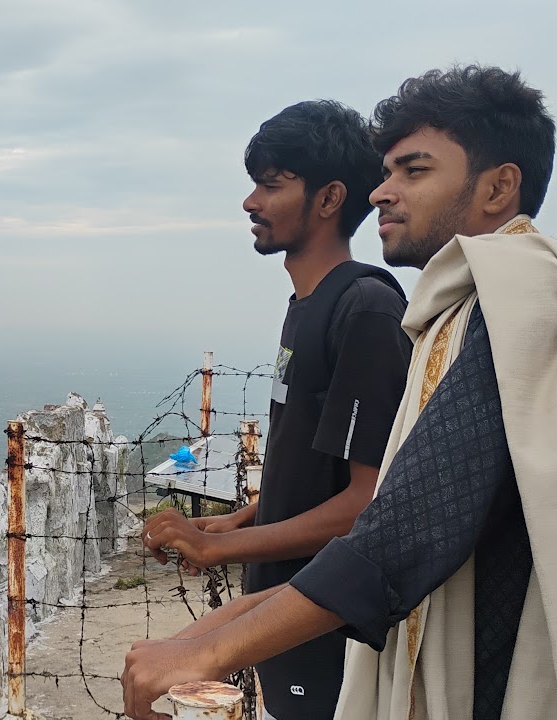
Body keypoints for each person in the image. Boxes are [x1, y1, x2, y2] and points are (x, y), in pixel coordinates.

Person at [122, 65, 557, 720]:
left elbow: (401, 532)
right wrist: (213, 628)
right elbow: (401, 512)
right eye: (387, 172)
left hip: (493, 675)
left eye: (413, 171)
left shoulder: (523, 298)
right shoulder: (471, 307)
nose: (381, 193)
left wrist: (212, 648)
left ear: (499, 186)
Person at [139, 100, 412, 719]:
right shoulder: (310, 305)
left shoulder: (364, 309)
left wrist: (216, 551)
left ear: (328, 198)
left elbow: (370, 501)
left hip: (322, 614)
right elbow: (328, 468)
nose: (251, 202)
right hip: (282, 605)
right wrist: (243, 521)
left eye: (271, 184)